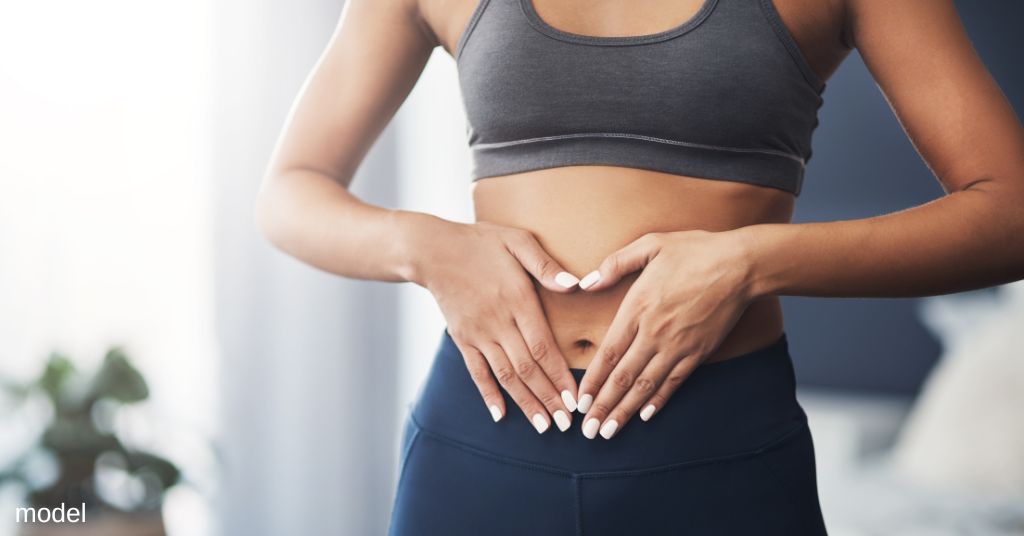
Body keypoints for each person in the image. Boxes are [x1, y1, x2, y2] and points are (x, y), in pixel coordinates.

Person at [254, 0, 1024, 533]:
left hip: (718, 456)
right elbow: (291, 192)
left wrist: (749, 262)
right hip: (480, 441)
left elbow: (1009, 210)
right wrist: (430, 248)